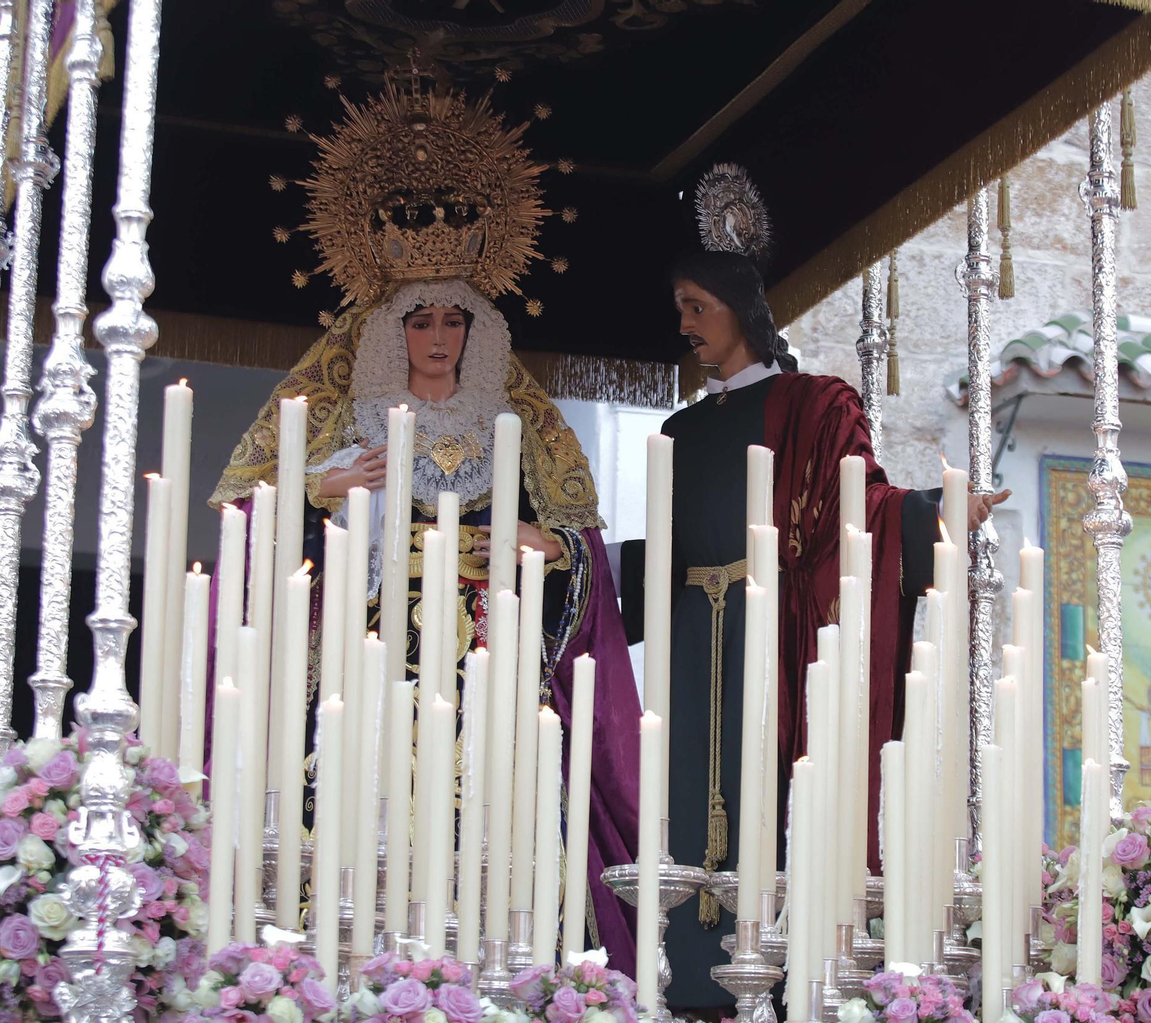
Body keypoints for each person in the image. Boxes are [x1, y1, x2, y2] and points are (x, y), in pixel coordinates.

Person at [207, 83, 642, 970]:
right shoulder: (341, 421)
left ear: (477, 328)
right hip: (371, 662)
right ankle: (355, 967)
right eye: (421, 320)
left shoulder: (519, 429)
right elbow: (244, 530)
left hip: (493, 663)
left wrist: (548, 547)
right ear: (389, 331)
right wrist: (312, 492)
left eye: (454, 319)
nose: (438, 337)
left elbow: (582, 551)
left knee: (497, 820)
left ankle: (504, 970)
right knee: (363, 812)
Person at [633, 164, 1006, 1010]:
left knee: (774, 800)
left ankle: (781, 986)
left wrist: (935, 513)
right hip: (693, 641)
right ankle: (684, 987)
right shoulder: (678, 431)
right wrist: (562, 561)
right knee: (687, 803)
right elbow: (660, 554)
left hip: (781, 640)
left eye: (699, 305)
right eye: (681, 307)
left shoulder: (813, 402)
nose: (685, 323)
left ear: (742, 308)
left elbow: (859, 505)